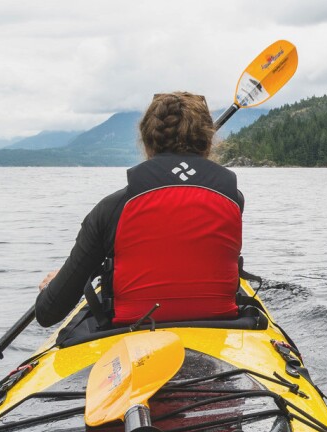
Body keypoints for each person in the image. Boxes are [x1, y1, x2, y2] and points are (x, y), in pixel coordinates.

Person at [34, 91, 244, 327]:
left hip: (132, 340)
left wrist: (56, 284)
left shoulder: (111, 209)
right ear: (208, 143)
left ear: (146, 143)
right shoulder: (233, 199)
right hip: (219, 328)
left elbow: (48, 313)